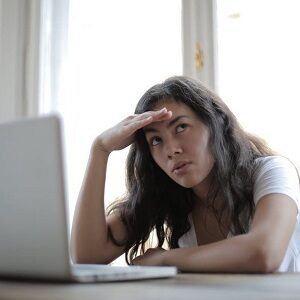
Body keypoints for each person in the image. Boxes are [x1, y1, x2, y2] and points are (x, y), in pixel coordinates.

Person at [70, 76, 300, 273]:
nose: (171, 150)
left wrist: (165, 259)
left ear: (216, 122)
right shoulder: (168, 193)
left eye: (181, 127)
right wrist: (100, 150)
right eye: (156, 140)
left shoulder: (272, 171)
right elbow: (88, 256)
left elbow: (264, 252)